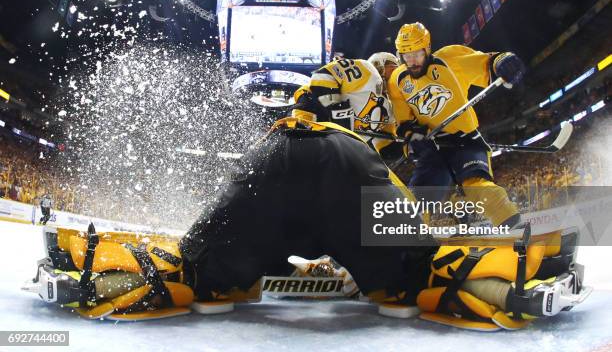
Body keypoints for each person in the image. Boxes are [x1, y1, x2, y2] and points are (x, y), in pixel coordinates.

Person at [27, 117, 589, 330]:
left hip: (272, 155)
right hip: (349, 159)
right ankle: (524, 272)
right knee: (419, 274)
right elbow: (382, 206)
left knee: (197, 271)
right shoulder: (373, 122)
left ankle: (90, 266)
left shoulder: (322, 98)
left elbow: (282, 241)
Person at [387, 22, 526, 228]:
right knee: (417, 200)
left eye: (416, 53)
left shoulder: (449, 59)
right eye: (406, 55)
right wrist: (413, 137)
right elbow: (403, 120)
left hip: (465, 140)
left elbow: (487, 62)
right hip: (433, 147)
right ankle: (411, 244)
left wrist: (502, 62)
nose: (412, 61)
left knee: (477, 186)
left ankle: (515, 228)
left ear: (427, 48)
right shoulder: (397, 80)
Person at [291, 54, 401, 159]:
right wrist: (337, 109)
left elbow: (384, 143)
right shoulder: (367, 69)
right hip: (310, 110)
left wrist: (406, 147)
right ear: (380, 64)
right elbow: (322, 75)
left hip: (333, 145)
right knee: (300, 150)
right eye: (393, 69)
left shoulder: (389, 108)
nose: (396, 76)